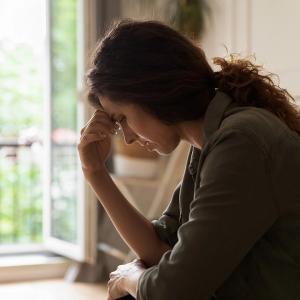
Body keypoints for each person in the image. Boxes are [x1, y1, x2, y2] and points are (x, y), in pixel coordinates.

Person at [77, 19, 300, 300]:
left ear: (152, 92)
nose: (129, 137)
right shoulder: (208, 143)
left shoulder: (240, 142)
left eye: (123, 119)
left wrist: (129, 278)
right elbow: (160, 248)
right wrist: (94, 171)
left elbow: (174, 290)